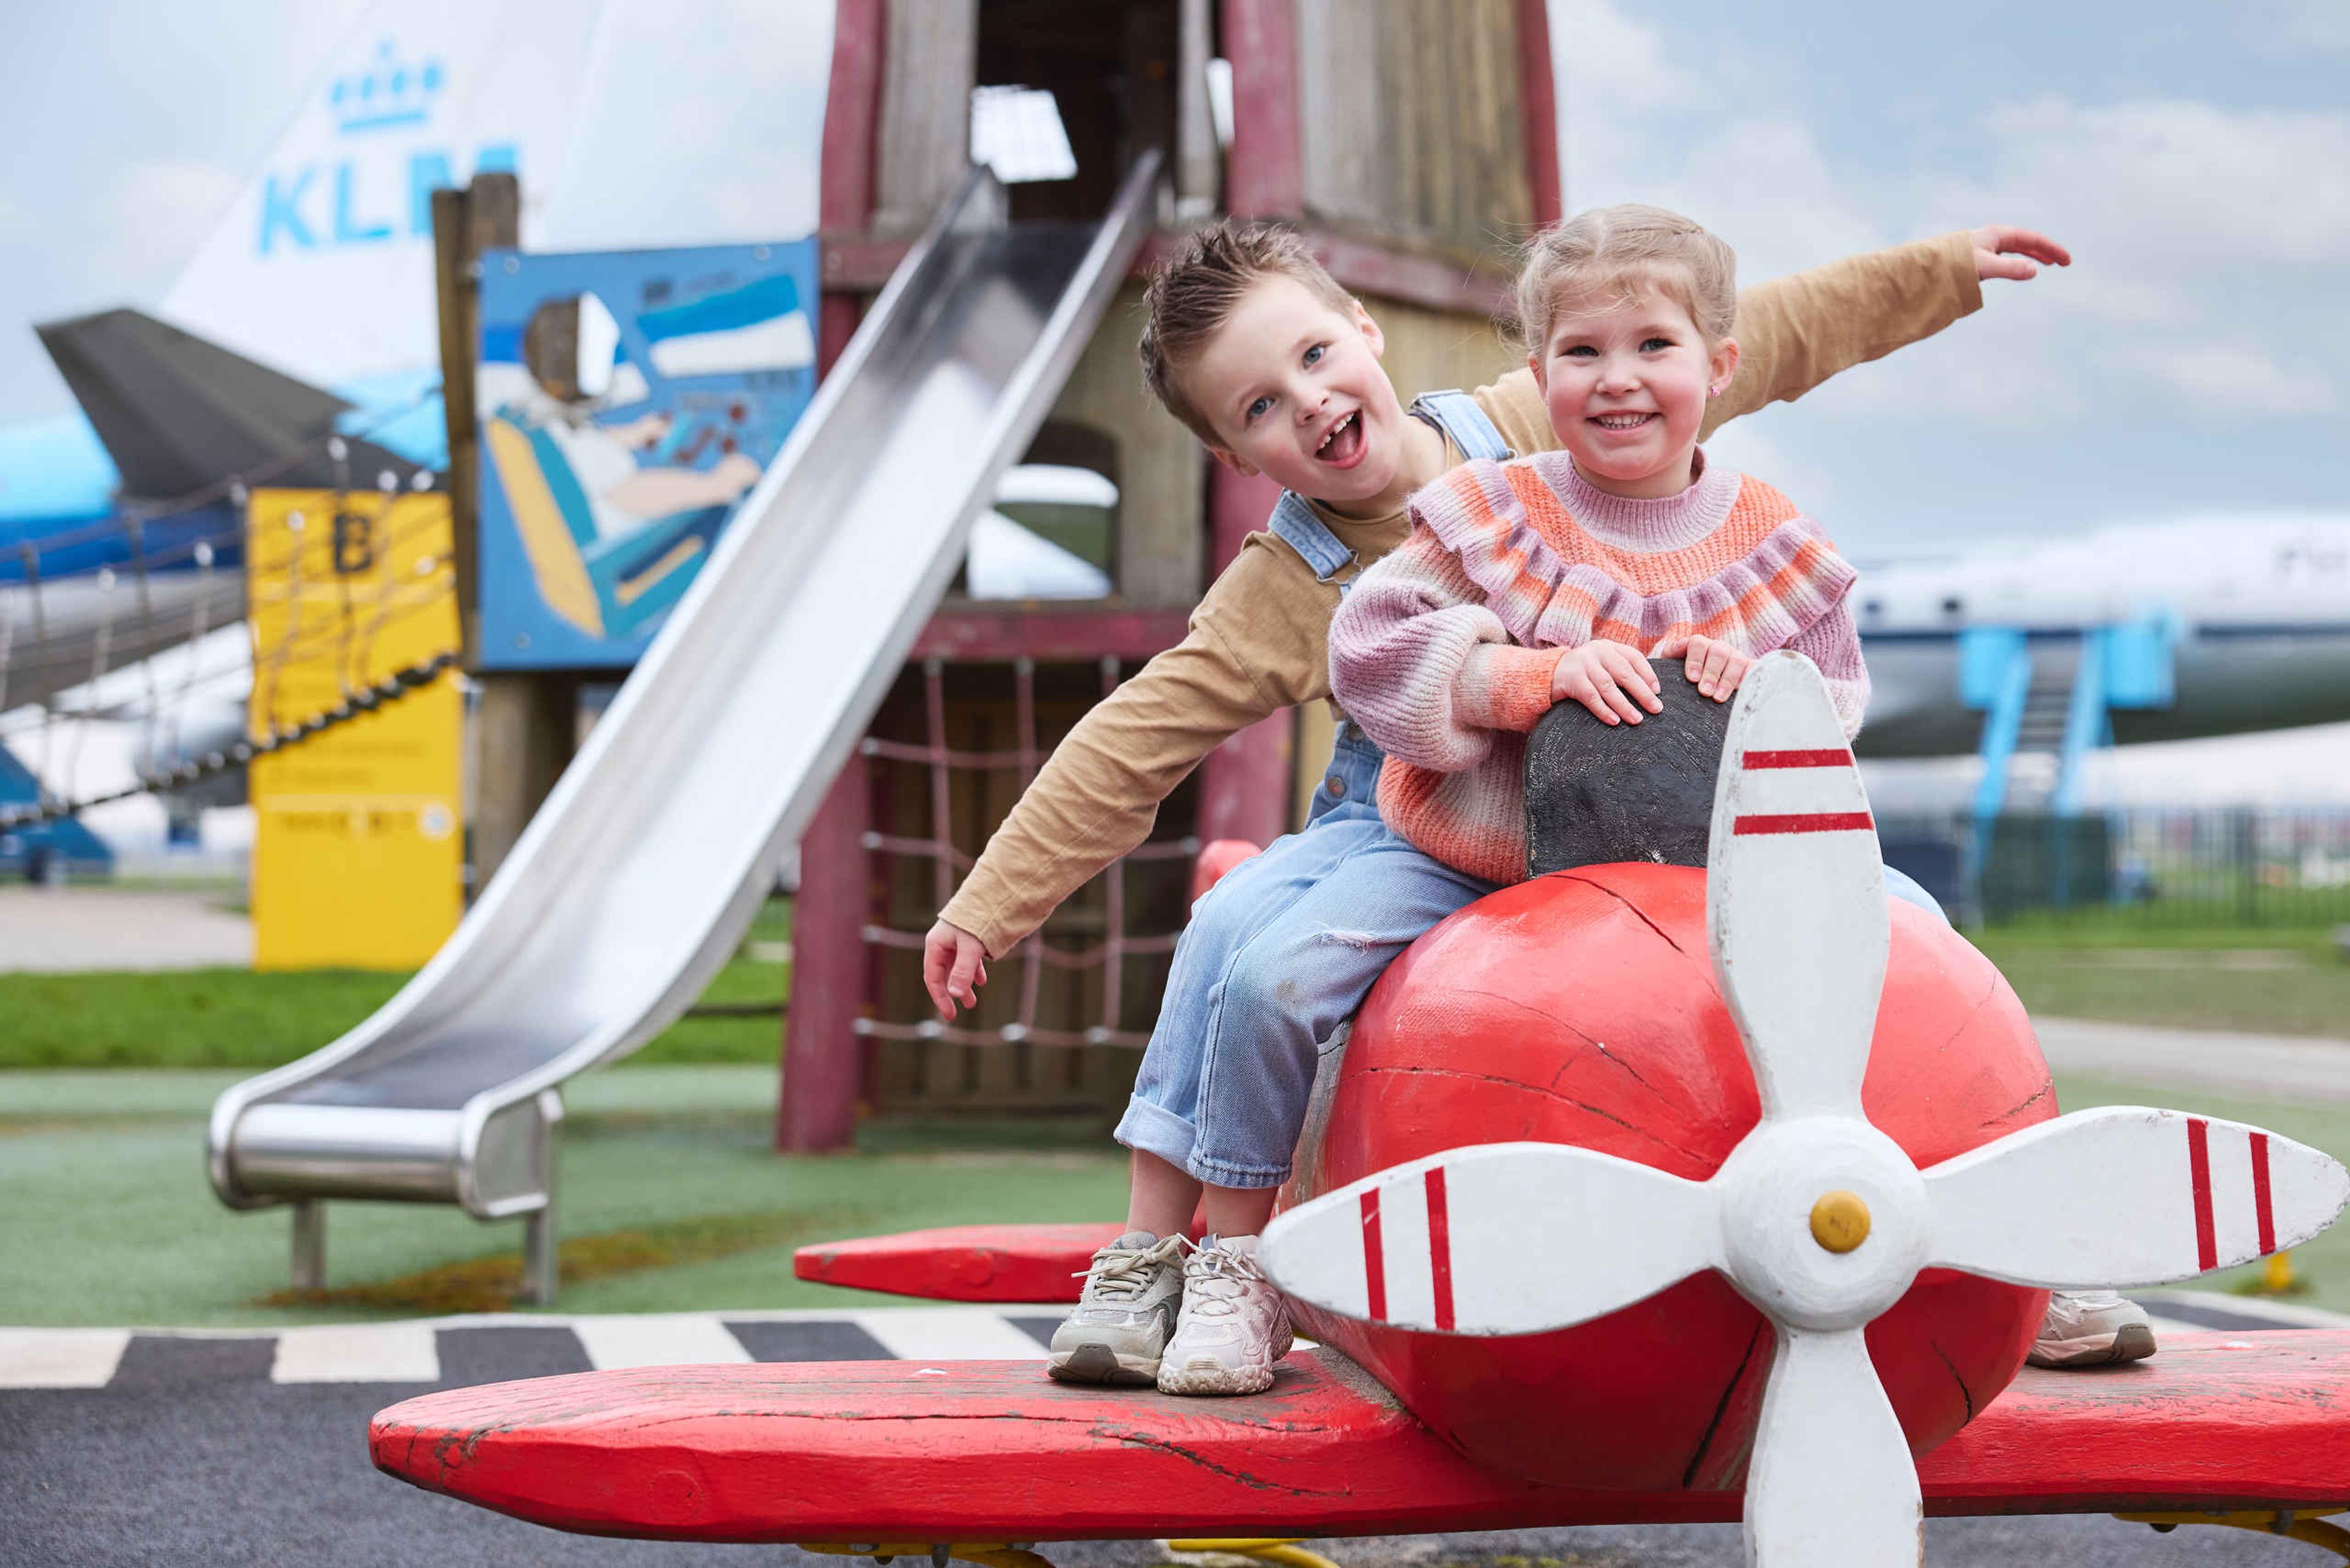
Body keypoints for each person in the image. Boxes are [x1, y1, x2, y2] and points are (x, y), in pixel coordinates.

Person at [922, 215, 2076, 1396]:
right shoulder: (1290, 583)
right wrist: (992, 902)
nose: (1308, 403)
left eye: (1315, 357)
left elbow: (1771, 332)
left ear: (1363, 333)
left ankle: (2023, 1246)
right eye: (1259, 406)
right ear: (1235, 453)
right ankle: (1185, 1250)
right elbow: (1131, 742)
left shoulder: (1545, 419)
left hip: (1662, 806)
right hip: (1430, 814)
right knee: (1239, 938)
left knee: (1914, 930)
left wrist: (1936, 272)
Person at [1330, 202, 2153, 1378]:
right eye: (1583, 351)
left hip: (1723, 874)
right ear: (1537, 371)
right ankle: (1247, 1255)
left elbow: (1834, 708)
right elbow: (1370, 649)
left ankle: (2027, 1257)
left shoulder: (1775, 542)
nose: (1619, 379)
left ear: (1717, 365)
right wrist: (1527, 672)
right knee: (1295, 965)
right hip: (1494, 866)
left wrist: (1759, 689)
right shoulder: (1495, 510)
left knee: (1927, 947)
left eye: (1653, 346)